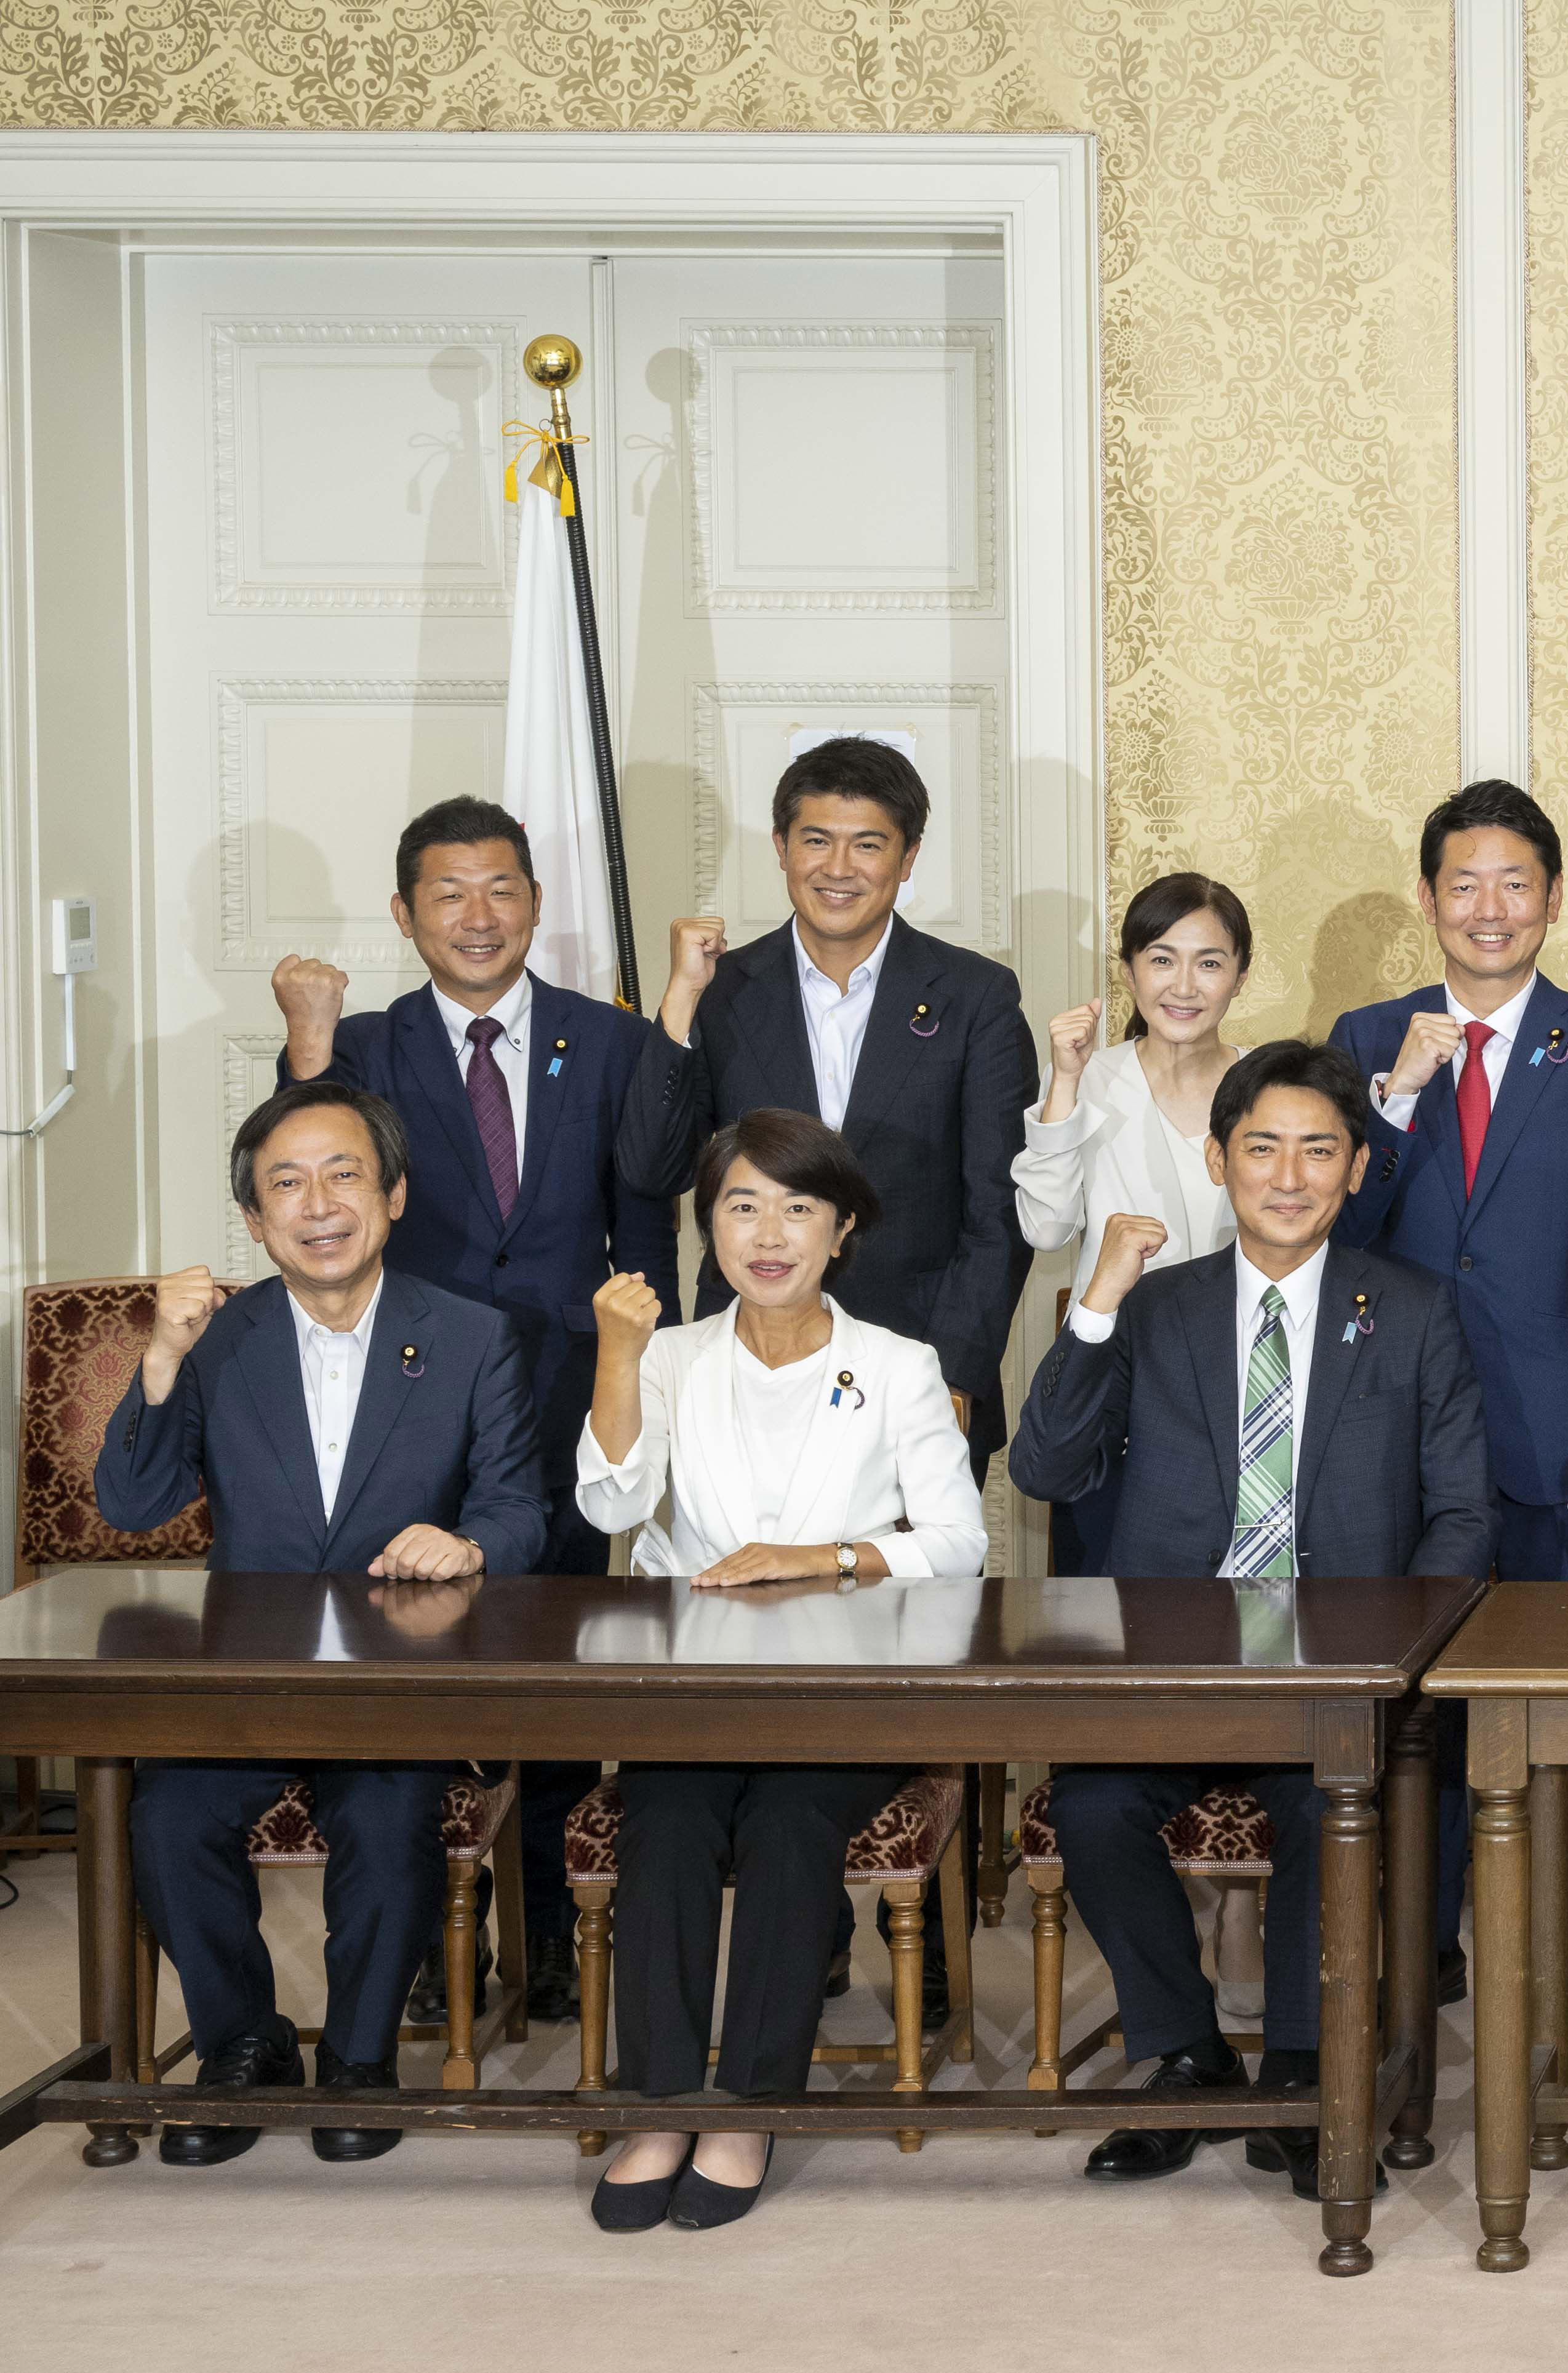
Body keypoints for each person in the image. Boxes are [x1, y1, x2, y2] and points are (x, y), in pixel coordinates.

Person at [1015, 1042, 1494, 2195]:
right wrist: (1096, 1302)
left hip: (1336, 1667)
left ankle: (1299, 2069)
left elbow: (1462, 1514)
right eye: (1262, 1147)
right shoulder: (1157, 1305)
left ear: (1357, 1167)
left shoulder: (1413, 1310)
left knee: (1334, 1805)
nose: (1288, 1175)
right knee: (1090, 1805)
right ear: (1219, 1160)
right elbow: (1044, 1468)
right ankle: (1186, 2054)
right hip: (1174, 1663)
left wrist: (1393, 1661)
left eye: (1318, 1150)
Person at [273, 793, 676, 2019]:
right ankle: (421, 1942)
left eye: (501, 888)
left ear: (537, 904)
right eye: (448, 893)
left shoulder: (606, 1041)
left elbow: (645, 1223)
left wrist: (646, 1370)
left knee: (556, 1660)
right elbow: (301, 1163)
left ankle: (549, 1931)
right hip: (411, 1399)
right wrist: (306, 1042)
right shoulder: (366, 1044)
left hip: (568, 1390)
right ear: (405, 914)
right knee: (416, 1657)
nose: (478, 914)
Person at [93, 1084, 544, 2166]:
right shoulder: (219, 1339)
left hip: (403, 1677)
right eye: (286, 1185)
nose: (319, 1204)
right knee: (168, 1818)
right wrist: (160, 1356)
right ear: (255, 1220)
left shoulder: (472, 1336)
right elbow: (133, 1505)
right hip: (247, 1679)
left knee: (386, 1822)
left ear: (394, 1194)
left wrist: (468, 1542)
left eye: (344, 1174)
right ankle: (244, 2048)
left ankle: (357, 2057)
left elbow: (522, 1507)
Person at [575, 1110, 987, 2231]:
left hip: (843, 1693)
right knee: (668, 1820)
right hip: (695, 1692)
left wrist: (822, 1558)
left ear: (840, 1230)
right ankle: (661, 2105)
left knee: (792, 1820)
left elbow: (961, 1542)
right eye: (742, 1206)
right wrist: (617, 1354)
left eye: (798, 1208)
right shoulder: (669, 1356)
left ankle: (751, 2106)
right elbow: (611, 1505)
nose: (769, 1234)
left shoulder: (897, 1365)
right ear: (707, 1227)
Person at [1333, 780, 1568, 2040]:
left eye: (1514, 884)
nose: (1490, 908)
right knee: (1411, 1708)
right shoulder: (1367, 1036)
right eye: (1464, 884)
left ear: (1552, 898)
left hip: (1561, 1437)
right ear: (1428, 898)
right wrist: (1394, 1101)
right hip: (1397, 1431)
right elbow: (1331, 1233)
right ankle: (1422, 1945)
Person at [617, 735, 1040, 1451]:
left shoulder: (977, 998)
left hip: (919, 1370)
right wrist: (682, 998)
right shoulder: (720, 992)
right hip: (744, 1368)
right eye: (816, 840)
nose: (838, 868)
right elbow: (651, 1170)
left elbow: (999, 1211)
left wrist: (953, 1374)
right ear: (782, 848)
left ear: (908, 858)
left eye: (868, 845)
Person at [1011, 871, 1250, 1574]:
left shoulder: (1267, 1086)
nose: (1185, 986)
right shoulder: (1089, 1078)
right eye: (1162, 959)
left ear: (1240, 977)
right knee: (1109, 1592)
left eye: (1210, 963)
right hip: (1117, 1376)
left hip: (1241, 1371)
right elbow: (1044, 1229)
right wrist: (1063, 1080)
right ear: (1129, 973)